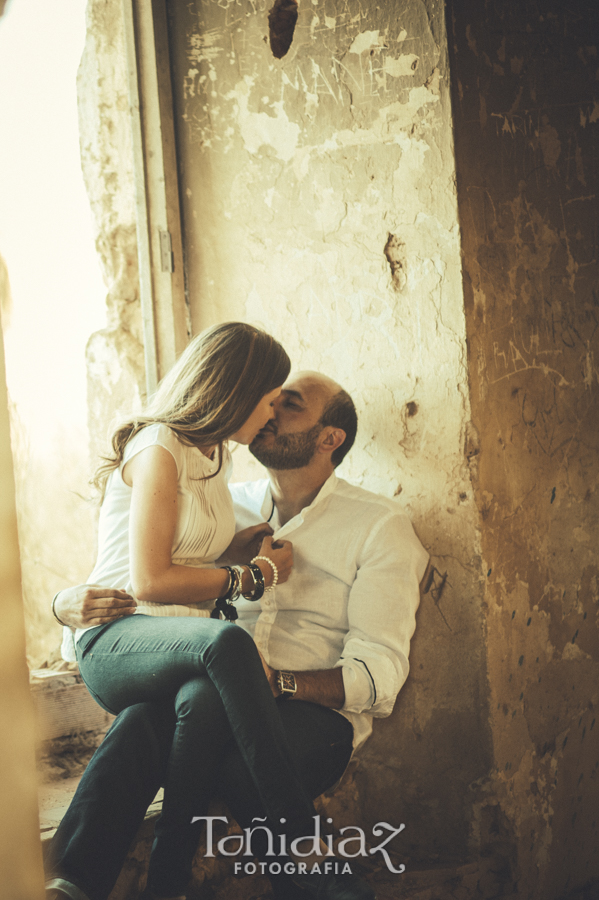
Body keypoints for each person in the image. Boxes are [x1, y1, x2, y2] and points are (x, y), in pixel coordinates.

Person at [47, 371, 429, 900]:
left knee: (229, 760)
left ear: (329, 438)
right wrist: (67, 607)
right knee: (142, 721)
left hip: (313, 720)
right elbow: (140, 581)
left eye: (288, 406)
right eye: (270, 401)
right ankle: (65, 887)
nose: (268, 413)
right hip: (203, 697)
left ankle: (300, 884)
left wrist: (281, 684)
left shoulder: (379, 524)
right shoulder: (221, 506)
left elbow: (380, 675)